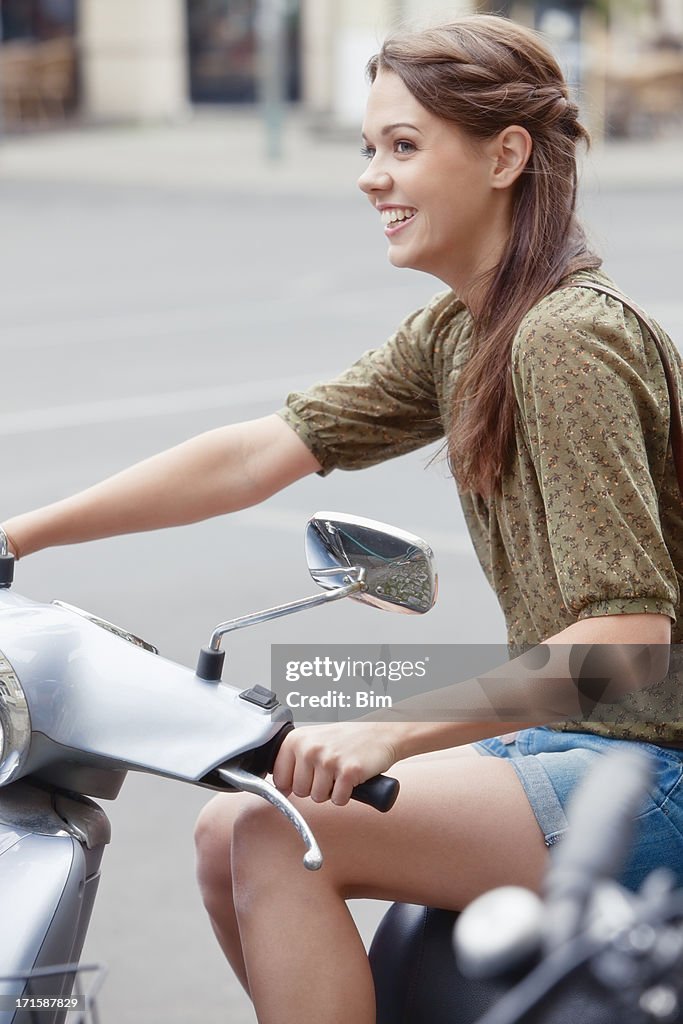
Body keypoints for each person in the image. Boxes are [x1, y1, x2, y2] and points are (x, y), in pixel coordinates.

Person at [3, 13, 682, 1024]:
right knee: (228, 831)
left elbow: (626, 641)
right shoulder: (467, 330)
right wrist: (21, 532)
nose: (370, 176)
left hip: (647, 769)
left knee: (278, 833)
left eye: (402, 147)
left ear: (504, 156)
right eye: (369, 148)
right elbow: (252, 454)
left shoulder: (563, 340)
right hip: (573, 745)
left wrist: (387, 728)